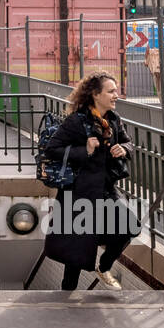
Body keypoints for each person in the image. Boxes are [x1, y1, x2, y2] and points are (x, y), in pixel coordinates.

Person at [42, 72, 138, 291]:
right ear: (96, 95)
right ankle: (66, 299)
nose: (116, 95)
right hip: (79, 193)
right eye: (111, 91)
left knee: (130, 225)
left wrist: (123, 149)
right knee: (75, 255)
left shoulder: (113, 119)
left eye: (116, 91)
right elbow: (52, 149)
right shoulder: (77, 121)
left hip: (106, 190)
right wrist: (83, 150)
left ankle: (103, 267)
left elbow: (129, 143)